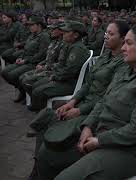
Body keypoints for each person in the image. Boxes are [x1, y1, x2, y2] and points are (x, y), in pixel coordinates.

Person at [36, 23, 136, 180]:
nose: (123, 48)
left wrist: (99, 140)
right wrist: (87, 126)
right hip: (100, 134)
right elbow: (103, 101)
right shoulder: (126, 72)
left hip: (127, 150)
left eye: (128, 43)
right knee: (47, 156)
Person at [26, 20, 130, 180]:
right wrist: (71, 102)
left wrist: (79, 110)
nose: (105, 37)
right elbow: (87, 84)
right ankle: (38, 169)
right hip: (83, 103)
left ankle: (44, 167)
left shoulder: (124, 64)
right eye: (106, 33)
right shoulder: (103, 57)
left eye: (111, 34)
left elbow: (106, 98)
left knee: (54, 126)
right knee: (47, 121)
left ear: (123, 38)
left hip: (95, 110)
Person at [28, 20, 90, 112]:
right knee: (35, 85)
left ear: (76, 35)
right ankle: (41, 108)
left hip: (71, 83)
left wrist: (54, 76)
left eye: (66, 32)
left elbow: (69, 72)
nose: (63, 34)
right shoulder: (70, 45)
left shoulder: (77, 49)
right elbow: (61, 65)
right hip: (63, 79)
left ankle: (42, 113)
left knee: (38, 91)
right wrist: (54, 72)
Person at [1, 16, 50, 103]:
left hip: (34, 63)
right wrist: (20, 57)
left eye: (32, 25)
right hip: (25, 60)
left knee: (13, 75)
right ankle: (23, 90)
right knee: (4, 72)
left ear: (39, 25)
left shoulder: (44, 36)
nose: (30, 27)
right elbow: (26, 49)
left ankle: (24, 92)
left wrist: (26, 60)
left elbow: (42, 54)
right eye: (29, 25)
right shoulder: (32, 35)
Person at [19, 22, 65, 101]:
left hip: (52, 71)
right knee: (22, 77)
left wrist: (44, 67)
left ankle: (38, 102)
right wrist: (41, 63)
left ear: (61, 31)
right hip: (45, 67)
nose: (51, 31)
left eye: (54, 29)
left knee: (28, 81)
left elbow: (60, 63)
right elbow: (48, 57)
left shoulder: (63, 45)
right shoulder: (54, 42)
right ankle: (33, 99)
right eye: (51, 29)